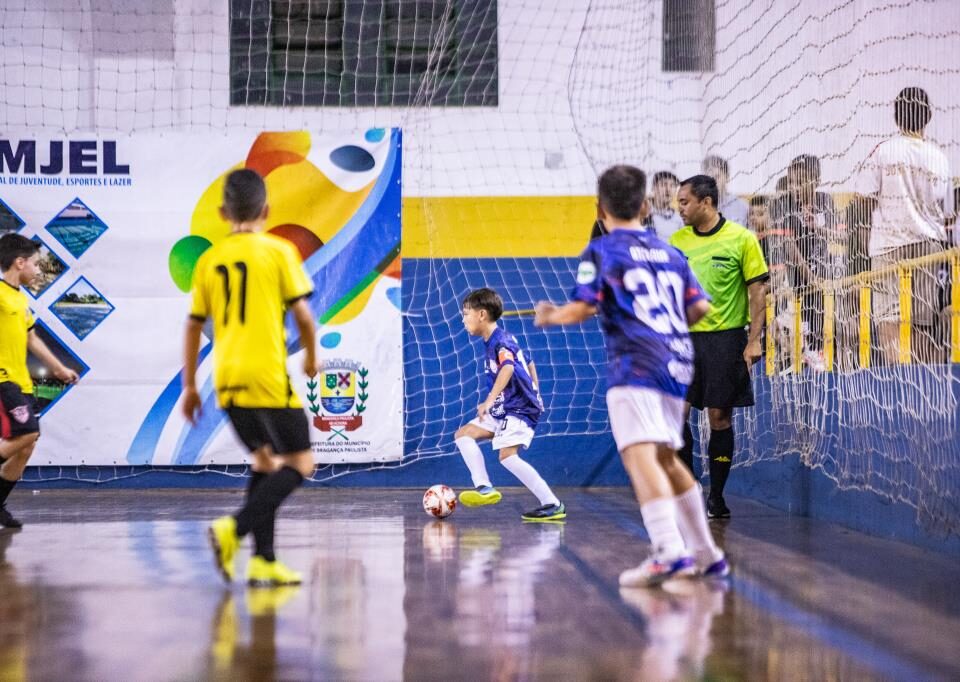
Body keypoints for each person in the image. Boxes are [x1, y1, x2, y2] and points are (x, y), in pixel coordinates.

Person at [536, 165, 727, 586]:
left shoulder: (601, 252)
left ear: (599, 208)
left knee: (640, 456)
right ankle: (707, 553)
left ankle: (668, 551)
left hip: (635, 364)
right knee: (666, 457)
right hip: (677, 364)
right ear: (644, 207)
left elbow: (582, 307)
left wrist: (551, 315)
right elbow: (699, 310)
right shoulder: (671, 253)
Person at [183, 168, 317, 587]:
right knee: (302, 463)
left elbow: (192, 326)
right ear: (268, 210)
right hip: (266, 373)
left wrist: (190, 386)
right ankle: (233, 529)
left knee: (264, 461)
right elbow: (303, 316)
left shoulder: (209, 259)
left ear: (223, 213)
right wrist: (312, 356)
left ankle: (263, 560)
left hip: (226, 378)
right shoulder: (278, 251)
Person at [670, 175, 769, 519]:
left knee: (719, 418)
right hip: (683, 341)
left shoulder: (742, 239)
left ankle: (717, 495)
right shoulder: (677, 242)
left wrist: (754, 339)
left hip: (726, 340)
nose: (678, 208)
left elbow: (758, 291)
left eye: (684, 202)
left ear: (705, 203)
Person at [857, 86, 955, 364]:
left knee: (890, 323)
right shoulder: (940, 158)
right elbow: (948, 213)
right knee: (921, 324)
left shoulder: (884, 151)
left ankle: (899, 388)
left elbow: (862, 197)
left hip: (890, 245)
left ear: (896, 118)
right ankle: (924, 391)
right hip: (929, 248)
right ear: (928, 117)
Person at [454, 287, 564, 521]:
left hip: (519, 409)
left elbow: (508, 367)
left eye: (466, 313)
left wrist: (489, 400)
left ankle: (552, 503)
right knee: (463, 435)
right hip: (506, 408)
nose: (463, 319)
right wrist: (536, 388)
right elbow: (529, 361)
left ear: (482, 315)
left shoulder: (500, 342)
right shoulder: (501, 339)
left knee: (508, 456)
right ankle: (484, 487)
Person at [0, 234, 79, 528]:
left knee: (25, 447)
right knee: (27, 433)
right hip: (3, 380)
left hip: (22, 383)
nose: (37, 270)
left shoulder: (20, 299)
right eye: (34, 263)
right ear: (19, 263)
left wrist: (58, 369)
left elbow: (32, 338)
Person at [702, 155, 749, 226]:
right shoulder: (698, 207)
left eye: (717, 176)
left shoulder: (742, 206)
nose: (712, 181)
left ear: (727, 177)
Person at [648, 171, 684, 240]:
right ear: (653, 187)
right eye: (663, 185)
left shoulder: (679, 219)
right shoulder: (642, 214)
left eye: (672, 186)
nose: (668, 189)